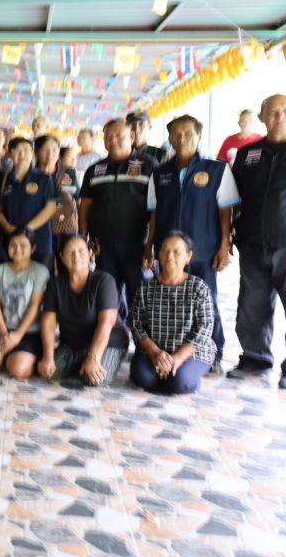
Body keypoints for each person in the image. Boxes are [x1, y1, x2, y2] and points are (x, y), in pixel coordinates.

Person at [145, 115, 239, 371]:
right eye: (176, 134)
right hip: (168, 254)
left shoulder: (217, 170)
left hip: (203, 249)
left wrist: (224, 246)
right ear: (170, 138)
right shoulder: (160, 173)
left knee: (207, 302)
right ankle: (172, 350)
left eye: (188, 133)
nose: (182, 138)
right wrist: (149, 246)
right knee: (169, 301)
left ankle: (215, 353)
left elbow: (225, 211)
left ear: (199, 136)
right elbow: (154, 213)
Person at [227, 93, 286, 386]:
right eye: (273, 111)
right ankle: (255, 357)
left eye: (285, 111)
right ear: (261, 117)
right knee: (252, 302)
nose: (280, 117)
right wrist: (228, 233)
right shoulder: (248, 154)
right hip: (252, 242)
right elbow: (232, 198)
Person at [78, 119, 154, 318]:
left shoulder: (148, 166)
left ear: (132, 136)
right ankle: (114, 334)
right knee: (108, 295)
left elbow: (156, 209)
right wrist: (83, 238)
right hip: (103, 247)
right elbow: (85, 206)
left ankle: (141, 337)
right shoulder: (95, 169)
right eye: (108, 137)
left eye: (119, 136)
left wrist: (151, 244)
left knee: (140, 295)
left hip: (137, 245)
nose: (113, 141)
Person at [130, 232, 215, 394]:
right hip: (155, 350)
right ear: (158, 255)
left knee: (179, 382)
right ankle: (165, 370)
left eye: (177, 252)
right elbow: (136, 325)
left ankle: (181, 373)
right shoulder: (146, 288)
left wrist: (178, 358)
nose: (170, 256)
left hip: (191, 353)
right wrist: (155, 353)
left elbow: (204, 328)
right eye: (165, 251)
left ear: (188, 257)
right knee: (143, 378)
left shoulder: (199, 288)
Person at [38, 235, 129, 386]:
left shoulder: (104, 281)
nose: (76, 256)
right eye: (70, 252)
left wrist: (94, 357)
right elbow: (48, 321)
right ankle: (82, 362)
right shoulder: (55, 284)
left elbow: (107, 322)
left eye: (81, 251)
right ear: (62, 257)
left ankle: (91, 360)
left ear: (90, 254)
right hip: (74, 345)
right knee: (50, 372)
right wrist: (47, 356)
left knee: (94, 379)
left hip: (109, 342)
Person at [0, 230, 50, 379]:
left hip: (28, 331)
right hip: (1, 328)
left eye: (23, 245)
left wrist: (17, 336)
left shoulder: (40, 271)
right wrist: (4, 334)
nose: (17, 249)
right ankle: (8, 353)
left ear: (33, 248)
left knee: (18, 371)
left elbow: (35, 305)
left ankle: (16, 356)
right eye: (13, 245)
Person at [0, 138, 59, 269]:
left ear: (32, 153)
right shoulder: (4, 179)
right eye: (18, 150)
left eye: (26, 150)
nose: (22, 154)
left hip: (39, 241)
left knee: (41, 279)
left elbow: (51, 208)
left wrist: (27, 229)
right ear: (11, 154)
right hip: (12, 241)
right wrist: (7, 227)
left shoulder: (44, 178)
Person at [36, 135, 79, 259]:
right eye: (45, 150)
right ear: (36, 152)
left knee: (67, 262)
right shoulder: (31, 175)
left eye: (54, 150)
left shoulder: (68, 172)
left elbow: (78, 199)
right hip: (40, 228)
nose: (50, 154)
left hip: (66, 228)